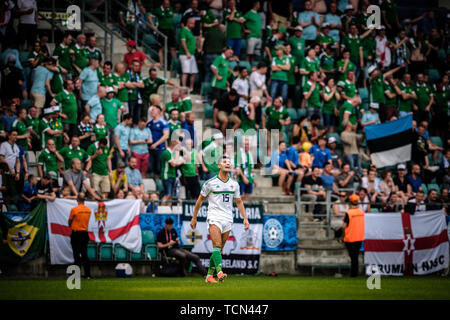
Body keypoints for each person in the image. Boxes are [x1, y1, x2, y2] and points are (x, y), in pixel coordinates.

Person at [190, 155, 250, 283]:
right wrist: (194, 218)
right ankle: (220, 272)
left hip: (228, 218)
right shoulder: (210, 183)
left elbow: (239, 202)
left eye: (229, 162)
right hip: (214, 217)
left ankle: (209, 276)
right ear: (219, 166)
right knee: (216, 245)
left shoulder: (234, 184)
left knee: (219, 249)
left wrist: (245, 218)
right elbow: (199, 201)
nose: (227, 163)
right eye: (224, 162)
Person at [68, 192, 92, 279]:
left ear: (77, 199)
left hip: (76, 233)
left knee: (76, 254)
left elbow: (70, 221)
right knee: (84, 254)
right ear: (84, 200)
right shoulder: (88, 210)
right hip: (84, 233)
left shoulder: (74, 210)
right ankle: (87, 274)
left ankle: (76, 275)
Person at [343, 193, 365, 277]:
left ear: (350, 202)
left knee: (353, 257)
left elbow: (344, 226)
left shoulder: (349, 213)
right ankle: (354, 273)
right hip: (359, 237)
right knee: (355, 256)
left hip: (350, 238)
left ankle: (353, 273)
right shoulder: (361, 212)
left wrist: (342, 235)